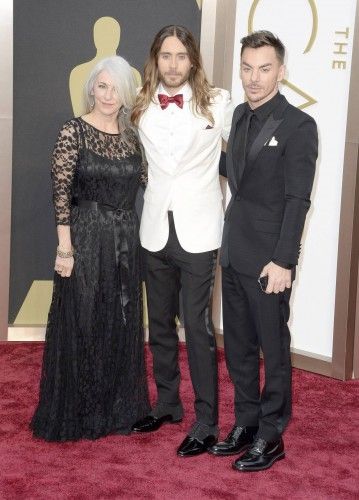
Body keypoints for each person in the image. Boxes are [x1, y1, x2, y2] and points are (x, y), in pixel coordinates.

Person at [208, 31, 318, 471]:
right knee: (236, 347)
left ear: (282, 71)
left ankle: (272, 436)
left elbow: (298, 200)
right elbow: (235, 170)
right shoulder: (236, 115)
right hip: (234, 252)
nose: (254, 78)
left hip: (270, 261)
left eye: (264, 68)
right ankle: (247, 423)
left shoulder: (299, 126)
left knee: (273, 349)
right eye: (247, 68)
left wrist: (285, 261)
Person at [30, 56, 150, 441]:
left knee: (121, 320)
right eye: (102, 86)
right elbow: (61, 192)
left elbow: (152, 181)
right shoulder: (74, 132)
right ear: (91, 89)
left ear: (126, 92)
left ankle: (116, 408)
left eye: (116, 88)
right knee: (82, 320)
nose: (108, 95)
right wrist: (64, 248)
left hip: (125, 239)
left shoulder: (133, 136)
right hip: (85, 236)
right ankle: (77, 412)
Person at [130, 25, 233, 457]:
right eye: (165, 56)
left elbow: (243, 154)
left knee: (198, 327)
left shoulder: (218, 102)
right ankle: (168, 403)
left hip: (200, 231)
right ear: (156, 59)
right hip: (154, 229)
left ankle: (206, 420)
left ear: (193, 60)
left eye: (181, 56)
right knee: (159, 326)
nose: (173, 65)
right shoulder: (139, 106)